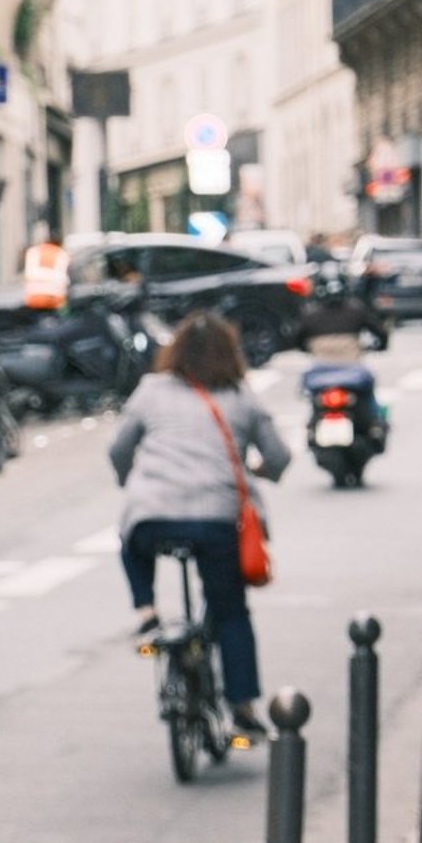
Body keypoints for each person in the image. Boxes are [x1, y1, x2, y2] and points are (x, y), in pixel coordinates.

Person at [108, 310, 289, 742]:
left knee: (131, 540)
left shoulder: (151, 391)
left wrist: (129, 480)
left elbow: (118, 448)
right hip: (218, 521)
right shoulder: (242, 397)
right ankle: (243, 708)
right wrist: (258, 471)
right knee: (230, 613)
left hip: (153, 515)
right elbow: (279, 457)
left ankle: (147, 613)